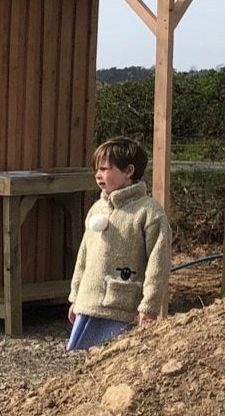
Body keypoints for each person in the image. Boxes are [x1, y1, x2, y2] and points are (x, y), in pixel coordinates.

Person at [67, 137, 172, 351]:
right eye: (96, 169)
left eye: (105, 169)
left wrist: (149, 306)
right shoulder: (97, 208)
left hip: (122, 308)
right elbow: (84, 257)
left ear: (129, 171)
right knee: (90, 365)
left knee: (119, 360)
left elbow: (158, 263)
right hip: (89, 305)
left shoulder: (149, 212)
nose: (98, 175)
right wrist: (76, 297)